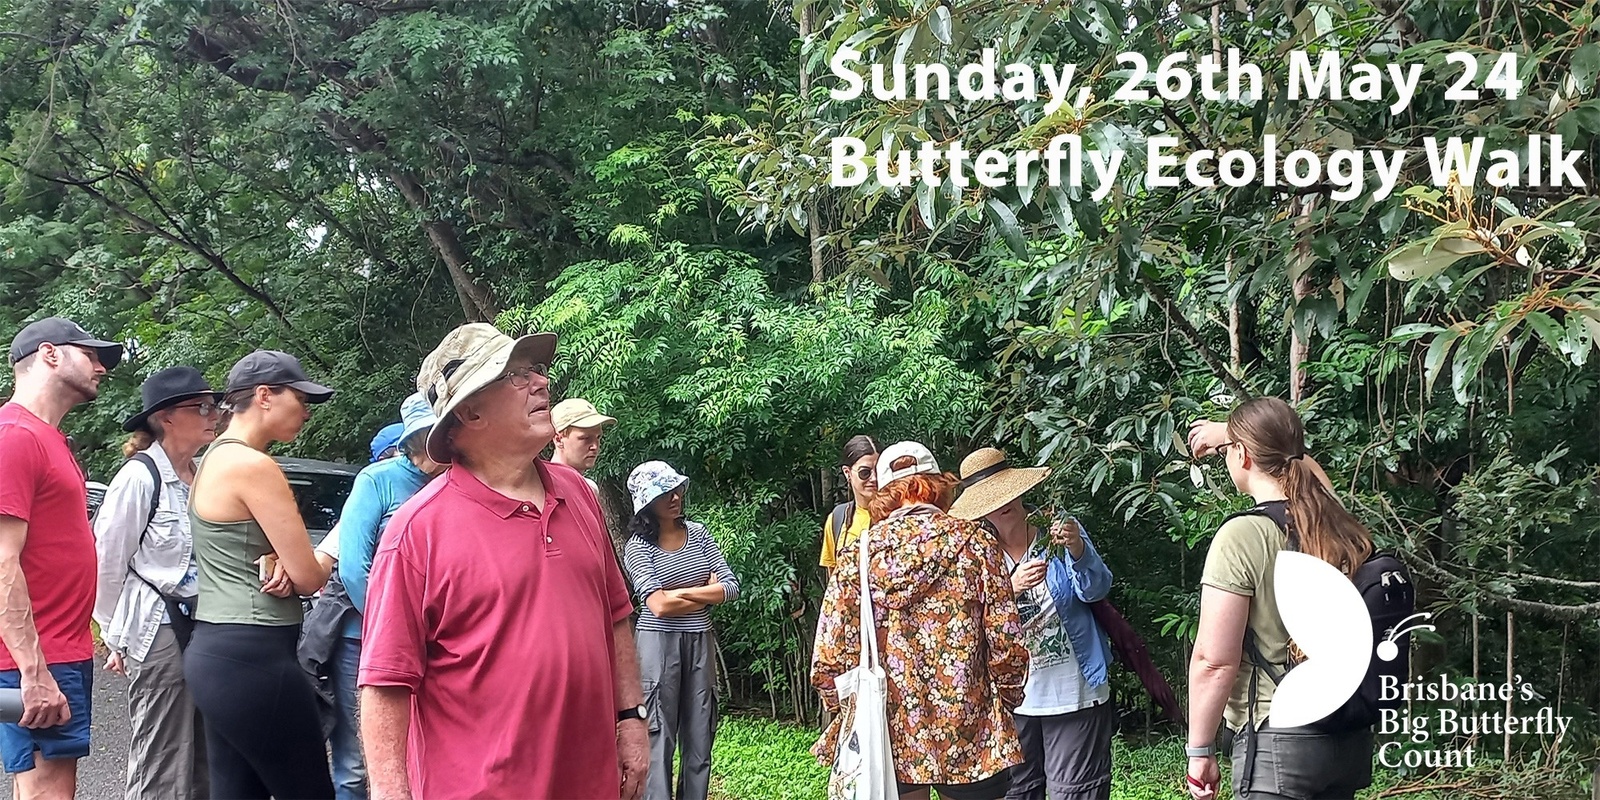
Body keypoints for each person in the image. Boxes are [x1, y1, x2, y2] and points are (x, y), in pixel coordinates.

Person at [359, 323, 648, 800]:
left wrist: (630, 718)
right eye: (515, 375)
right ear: (469, 411)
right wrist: (391, 792)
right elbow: (386, 682)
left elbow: (615, 615)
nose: (540, 382)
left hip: (589, 780)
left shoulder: (578, 494)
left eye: (535, 369)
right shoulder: (417, 532)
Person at [812, 441, 1029, 800]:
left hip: (888, 731)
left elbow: (830, 658)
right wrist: (1006, 697)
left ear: (884, 493)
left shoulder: (858, 556)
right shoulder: (976, 544)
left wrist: (843, 711)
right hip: (971, 727)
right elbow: (1006, 643)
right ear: (938, 486)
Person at [1184, 398, 1374, 800]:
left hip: (1280, 739)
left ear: (1243, 456)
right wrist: (1233, 434)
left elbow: (1214, 661)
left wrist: (1199, 749)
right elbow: (1306, 469)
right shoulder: (1332, 520)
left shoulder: (1243, 536)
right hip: (1345, 739)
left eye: (1232, 448)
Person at [183, 349, 336, 799]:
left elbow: (239, 545)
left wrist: (279, 557)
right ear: (265, 395)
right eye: (301, 398)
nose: (307, 411)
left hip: (216, 653)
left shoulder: (212, 458)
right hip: (256, 658)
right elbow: (310, 578)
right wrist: (339, 542)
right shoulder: (254, 466)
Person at [0, 317, 122, 800]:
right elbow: (2, 563)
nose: (101, 368)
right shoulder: (15, 437)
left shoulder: (48, 438)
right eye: (90, 355)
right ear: (50, 354)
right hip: (38, 658)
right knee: (47, 793)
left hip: (60, 651)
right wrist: (32, 672)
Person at [949, 448, 1116, 800]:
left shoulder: (1058, 532)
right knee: (1018, 793)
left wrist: (1078, 551)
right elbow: (962, 621)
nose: (1003, 504)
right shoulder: (977, 553)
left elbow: (1097, 590)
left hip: (1074, 693)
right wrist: (1008, 588)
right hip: (1012, 700)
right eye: (991, 499)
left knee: (1076, 792)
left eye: (1007, 493)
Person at [92, 366, 221, 800]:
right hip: (157, 629)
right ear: (166, 417)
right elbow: (106, 562)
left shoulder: (203, 474)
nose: (214, 413)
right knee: (163, 753)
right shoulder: (139, 477)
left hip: (206, 628)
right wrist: (117, 637)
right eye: (201, 406)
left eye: (214, 404)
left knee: (207, 752)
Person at [323, 393, 442, 800]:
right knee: (359, 762)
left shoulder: (455, 481)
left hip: (439, 643)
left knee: (422, 754)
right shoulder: (378, 481)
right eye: (426, 437)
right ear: (408, 443)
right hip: (367, 638)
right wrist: (396, 627)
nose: (437, 446)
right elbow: (354, 568)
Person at [622, 461, 739, 800]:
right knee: (658, 737)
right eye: (664, 493)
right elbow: (657, 606)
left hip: (699, 641)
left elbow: (730, 587)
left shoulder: (700, 533)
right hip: (657, 645)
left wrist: (677, 595)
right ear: (646, 502)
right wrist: (704, 594)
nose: (675, 497)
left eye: (677, 489)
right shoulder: (638, 546)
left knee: (701, 734)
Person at [819, 435, 879, 572]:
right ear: (847, 473)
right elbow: (833, 583)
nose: (874, 478)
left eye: (878, 470)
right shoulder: (838, 519)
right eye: (865, 472)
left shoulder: (897, 514)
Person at [551, 397, 616, 496]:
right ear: (558, 439)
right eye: (585, 438)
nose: (595, 446)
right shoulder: (545, 489)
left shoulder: (590, 489)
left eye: (598, 437)